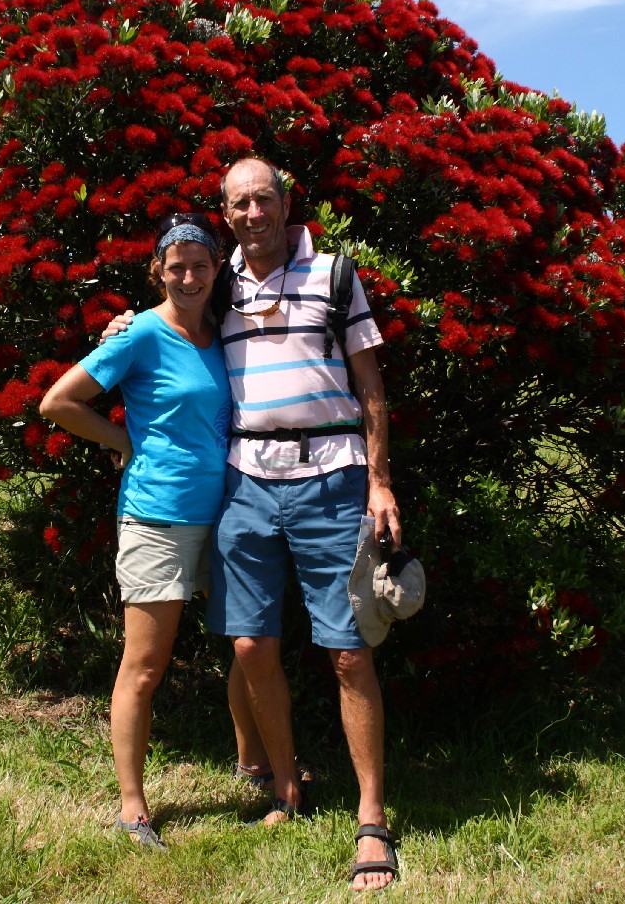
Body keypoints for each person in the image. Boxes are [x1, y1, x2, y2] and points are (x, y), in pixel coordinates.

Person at [105, 158, 402, 891]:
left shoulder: (333, 275)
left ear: (285, 201)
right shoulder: (221, 283)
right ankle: (286, 789)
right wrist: (121, 327)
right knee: (249, 643)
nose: (252, 213)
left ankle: (371, 819)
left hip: (332, 480)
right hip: (247, 482)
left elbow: (371, 384)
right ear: (226, 212)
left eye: (263, 198)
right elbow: (172, 320)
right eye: (238, 203)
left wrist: (381, 482)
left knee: (349, 653)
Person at [39, 216, 230, 852]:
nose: (189, 277)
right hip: (158, 517)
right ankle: (132, 807)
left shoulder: (224, 331)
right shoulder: (142, 332)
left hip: (226, 513)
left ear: (217, 268)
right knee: (144, 667)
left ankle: (256, 768)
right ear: (158, 272)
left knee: (248, 648)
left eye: (200, 265)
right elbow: (59, 402)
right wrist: (124, 441)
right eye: (176, 266)